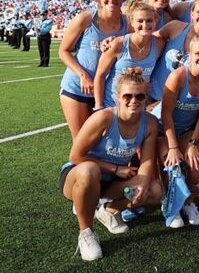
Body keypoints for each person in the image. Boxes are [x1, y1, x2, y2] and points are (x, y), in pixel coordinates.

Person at [59, 69, 162, 261]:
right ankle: (86, 233)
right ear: (117, 97)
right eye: (127, 96)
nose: (134, 100)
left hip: (111, 184)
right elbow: (75, 156)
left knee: (154, 190)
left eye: (140, 96)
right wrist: (115, 169)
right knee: (90, 171)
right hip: (79, 176)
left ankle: (109, 211)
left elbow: (147, 162)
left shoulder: (150, 123)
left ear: (146, 97)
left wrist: (143, 184)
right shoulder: (104, 118)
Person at [153, 33, 199, 227]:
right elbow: (166, 114)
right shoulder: (178, 77)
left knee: (196, 167)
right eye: (198, 53)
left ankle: (188, 202)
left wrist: (193, 141)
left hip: (185, 131)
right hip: (162, 130)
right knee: (172, 163)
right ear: (189, 55)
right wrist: (174, 147)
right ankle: (170, 203)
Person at [59, 0, 129, 140]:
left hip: (106, 93)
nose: (111, 0)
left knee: (103, 142)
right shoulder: (85, 19)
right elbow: (64, 51)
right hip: (77, 89)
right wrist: (83, 75)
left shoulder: (128, 24)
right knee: (82, 142)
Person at [93, 2, 164, 109]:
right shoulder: (118, 44)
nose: (145, 25)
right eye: (140, 21)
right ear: (132, 22)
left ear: (155, 21)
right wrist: (99, 107)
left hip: (138, 108)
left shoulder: (159, 44)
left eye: (149, 20)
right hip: (112, 105)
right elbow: (100, 76)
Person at [149, 0, 199, 103]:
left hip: (177, 106)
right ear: (192, 13)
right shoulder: (175, 27)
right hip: (150, 95)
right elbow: (148, 40)